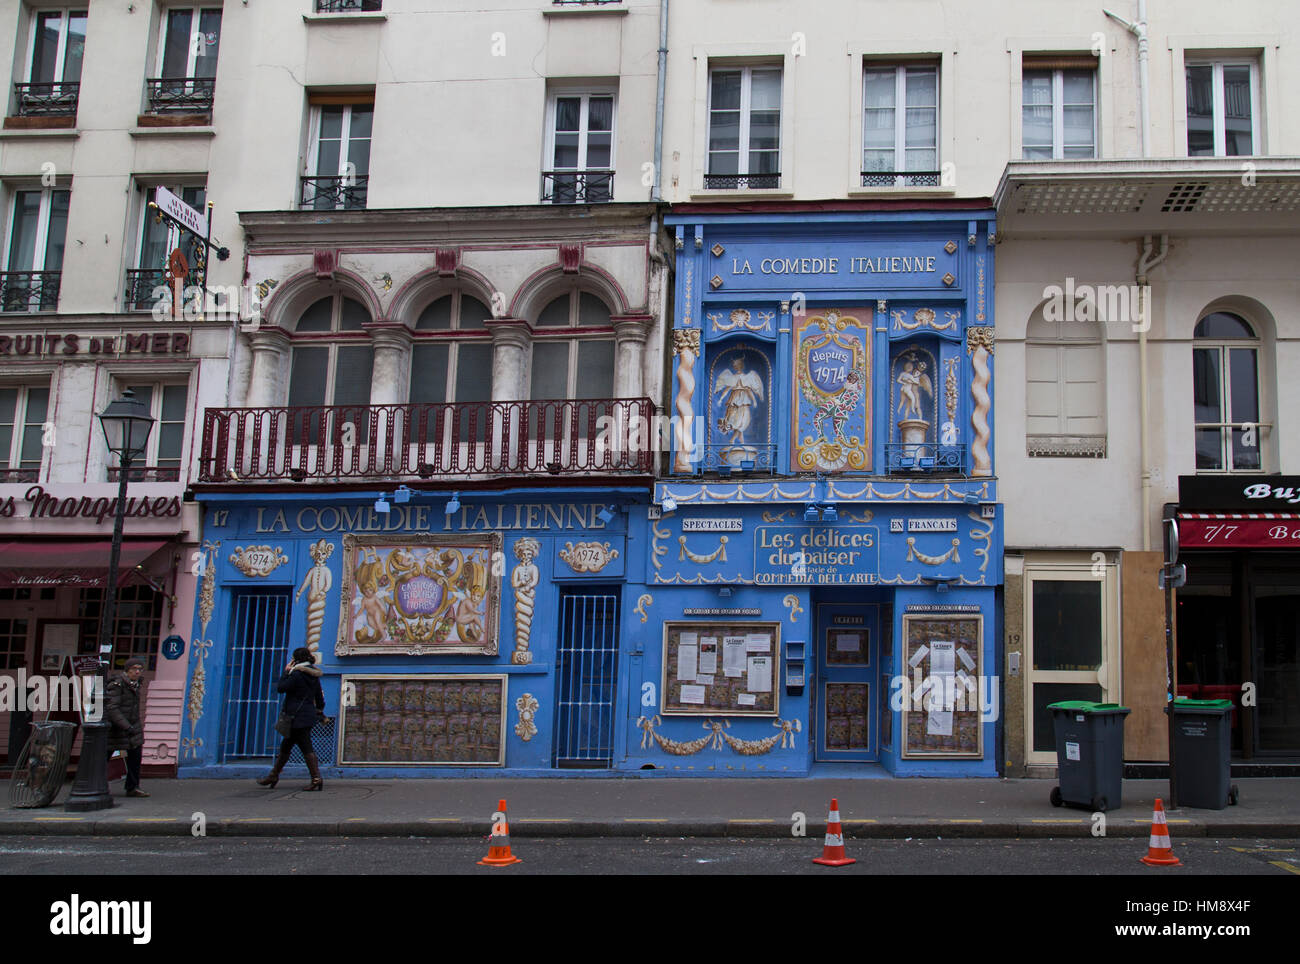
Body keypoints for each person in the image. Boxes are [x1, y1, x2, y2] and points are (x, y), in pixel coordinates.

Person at [257, 647, 326, 791]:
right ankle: (274, 775)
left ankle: (316, 778)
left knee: (305, 746)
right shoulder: (314, 675)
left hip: (296, 716)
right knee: (286, 745)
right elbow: (319, 698)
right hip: (306, 716)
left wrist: (286, 672)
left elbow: (281, 688)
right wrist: (318, 711)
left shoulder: (296, 674)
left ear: (295, 659)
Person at [105, 658, 148, 798]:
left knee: (135, 756)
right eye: (134, 668)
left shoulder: (135, 684)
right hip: (116, 728)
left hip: (132, 726)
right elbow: (112, 708)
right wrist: (125, 725)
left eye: (140, 669)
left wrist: (132, 726)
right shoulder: (117, 684)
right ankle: (99, 785)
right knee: (104, 757)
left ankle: (132, 786)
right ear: (127, 669)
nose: (137, 671)